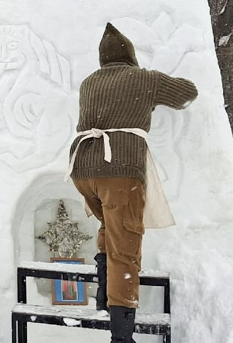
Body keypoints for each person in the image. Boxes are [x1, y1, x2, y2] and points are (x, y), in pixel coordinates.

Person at [69, 23, 197, 343]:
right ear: (131, 56)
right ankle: (122, 337)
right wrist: (149, 95)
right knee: (126, 247)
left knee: (110, 227)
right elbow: (187, 93)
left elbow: (111, 106)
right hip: (120, 168)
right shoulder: (143, 78)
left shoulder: (89, 82)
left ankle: (103, 296)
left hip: (83, 169)